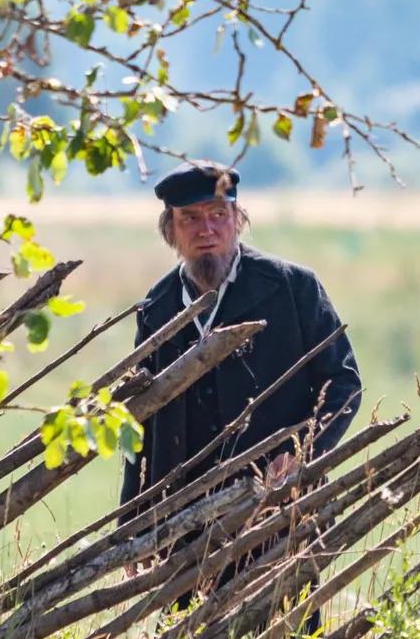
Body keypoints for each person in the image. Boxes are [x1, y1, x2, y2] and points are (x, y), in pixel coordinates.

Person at [119, 159, 362, 609]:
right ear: (170, 230)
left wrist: (304, 450)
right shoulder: (156, 307)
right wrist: (135, 518)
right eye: (189, 218)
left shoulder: (293, 287)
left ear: (238, 219)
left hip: (273, 505)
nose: (205, 228)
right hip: (186, 518)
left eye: (218, 215)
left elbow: (343, 382)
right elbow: (142, 418)